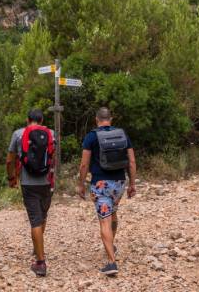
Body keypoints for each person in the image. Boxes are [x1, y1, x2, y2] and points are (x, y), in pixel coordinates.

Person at [76, 107, 137, 276]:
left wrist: (81, 184)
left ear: (97, 119)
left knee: (104, 220)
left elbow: (84, 165)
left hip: (100, 184)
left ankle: (111, 263)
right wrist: (132, 184)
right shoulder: (122, 134)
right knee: (113, 214)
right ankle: (112, 244)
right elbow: (131, 162)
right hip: (119, 183)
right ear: (111, 118)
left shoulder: (91, 137)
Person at [6, 109, 55, 277]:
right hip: (47, 183)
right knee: (42, 217)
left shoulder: (18, 134)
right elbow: (52, 157)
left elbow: (10, 159)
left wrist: (11, 177)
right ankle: (37, 248)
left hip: (28, 183)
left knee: (35, 220)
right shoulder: (51, 133)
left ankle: (40, 263)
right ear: (41, 120)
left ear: (27, 120)